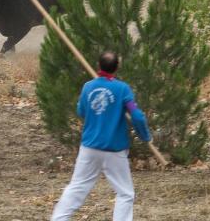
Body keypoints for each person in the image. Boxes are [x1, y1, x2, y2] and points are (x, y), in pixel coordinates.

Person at [50, 52, 152, 221]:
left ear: (99, 65)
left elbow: (81, 111)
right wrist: (145, 136)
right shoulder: (122, 89)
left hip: (89, 147)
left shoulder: (88, 87)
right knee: (125, 193)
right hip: (114, 150)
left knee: (77, 187)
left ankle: (58, 218)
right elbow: (137, 116)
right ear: (117, 67)